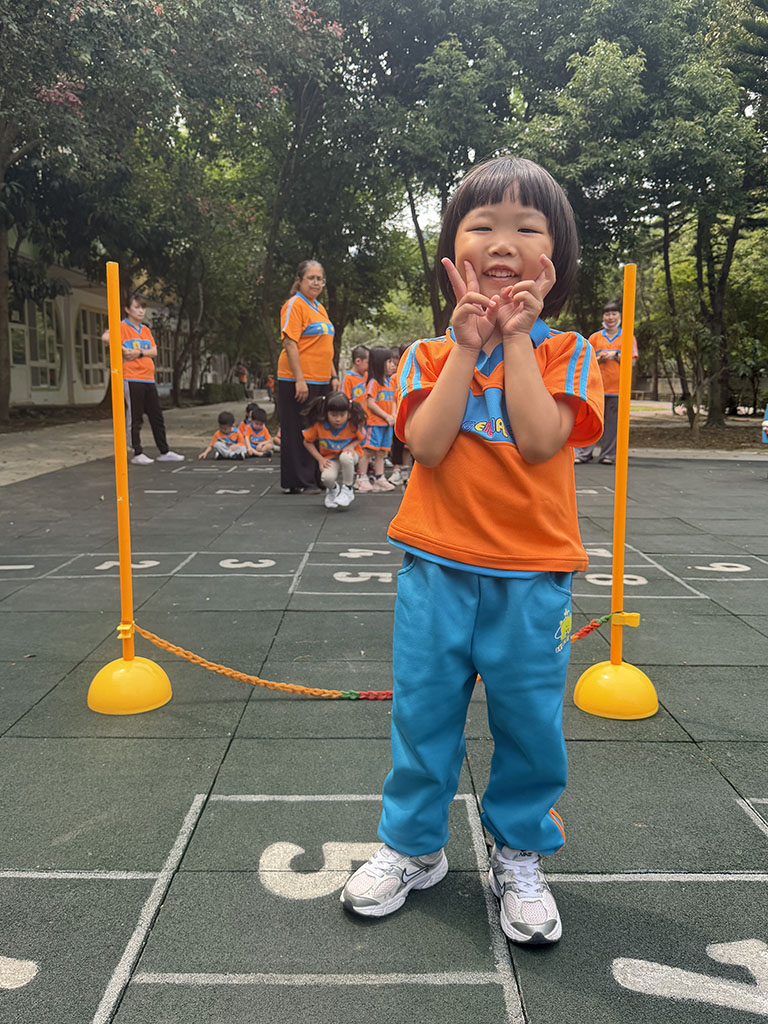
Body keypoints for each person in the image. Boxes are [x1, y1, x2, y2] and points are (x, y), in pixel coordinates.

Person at [340, 155, 604, 944]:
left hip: (533, 578)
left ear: (555, 258)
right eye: (483, 225)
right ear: (454, 250)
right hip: (438, 569)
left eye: (527, 227)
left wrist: (515, 339)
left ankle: (518, 851)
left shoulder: (568, 352)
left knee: (529, 725)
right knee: (423, 716)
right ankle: (414, 848)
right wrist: (466, 346)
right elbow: (424, 444)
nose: (503, 242)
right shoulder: (427, 355)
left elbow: (539, 440)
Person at [277, 260, 340, 493]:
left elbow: (325, 346)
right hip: (298, 380)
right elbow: (289, 343)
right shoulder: (294, 305)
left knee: (316, 429)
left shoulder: (319, 308)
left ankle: (316, 476)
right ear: (300, 280)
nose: (315, 283)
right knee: (297, 429)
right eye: (311, 278)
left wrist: (333, 375)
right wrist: (300, 380)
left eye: (319, 279)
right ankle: (298, 482)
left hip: (321, 380)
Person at [110, 293, 184, 465]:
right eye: (137, 307)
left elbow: (154, 351)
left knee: (156, 416)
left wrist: (139, 353)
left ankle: (164, 451)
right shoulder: (121, 326)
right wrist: (122, 349)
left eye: (143, 307)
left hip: (148, 378)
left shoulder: (145, 330)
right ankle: (137, 451)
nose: (141, 311)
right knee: (135, 416)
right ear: (127, 309)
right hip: (131, 377)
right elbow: (106, 337)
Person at [574, 300, 637, 465]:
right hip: (596, 388)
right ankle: (583, 453)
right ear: (603, 317)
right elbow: (585, 360)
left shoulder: (627, 337)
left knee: (612, 424)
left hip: (617, 389)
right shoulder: (595, 337)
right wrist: (599, 359)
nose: (610, 317)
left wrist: (616, 356)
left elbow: (632, 362)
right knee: (590, 421)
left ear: (620, 316)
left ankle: (608, 455)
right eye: (607, 314)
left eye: (614, 314)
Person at [301, 392, 367, 509]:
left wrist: (352, 446)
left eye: (342, 415)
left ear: (348, 413)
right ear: (326, 413)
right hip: (330, 457)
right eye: (333, 415)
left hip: (350, 454)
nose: (338, 419)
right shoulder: (320, 426)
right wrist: (320, 459)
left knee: (345, 457)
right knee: (327, 478)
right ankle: (333, 490)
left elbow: (362, 437)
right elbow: (307, 442)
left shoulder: (352, 424)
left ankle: (347, 489)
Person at [355, 346, 397, 493]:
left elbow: (393, 400)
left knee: (382, 453)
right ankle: (362, 478)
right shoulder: (374, 383)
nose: (393, 365)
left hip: (386, 424)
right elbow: (371, 403)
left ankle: (379, 478)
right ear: (380, 363)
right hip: (375, 424)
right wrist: (386, 416)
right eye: (389, 362)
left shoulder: (390, 382)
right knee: (368, 451)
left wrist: (393, 415)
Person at [389, 342, 414, 487]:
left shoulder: (419, 373)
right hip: (400, 415)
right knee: (397, 444)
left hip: (413, 416)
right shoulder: (395, 377)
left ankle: (411, 472)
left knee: (412, 446)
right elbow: (393, 398)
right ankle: (397, 471)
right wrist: (394, 414)